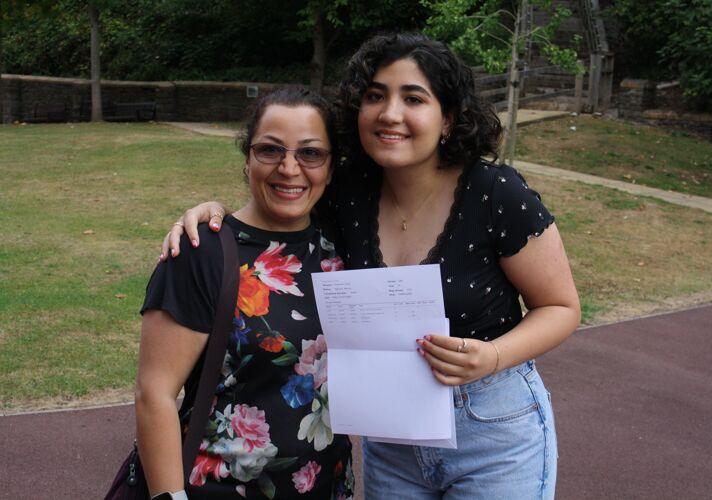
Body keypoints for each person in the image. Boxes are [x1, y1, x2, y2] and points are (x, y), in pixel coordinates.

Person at [163, 32, 580, 499]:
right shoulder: (348, 194)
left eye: (414, 98)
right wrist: (215, 212)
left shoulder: (496, 193)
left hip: (491, 429)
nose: (390, 113)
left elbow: (562, 307)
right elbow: (281, 194)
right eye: (375, 96)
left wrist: (492, 356)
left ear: (449, 119)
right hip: (391, 436)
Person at [137, 86, 354, 500]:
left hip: (328, 488)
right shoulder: (201, 252)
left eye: (310, 153)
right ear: (248, 157)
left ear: (330, 165)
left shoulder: (342, 247)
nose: (289, 168)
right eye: (270, 150)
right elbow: (154, 393)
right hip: (218, 489)